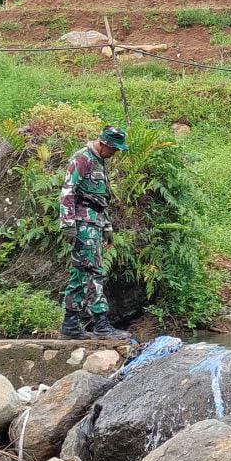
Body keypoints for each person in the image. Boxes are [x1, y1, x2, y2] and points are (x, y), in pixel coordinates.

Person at [58, 126, 133, 340]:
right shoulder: (82, 159)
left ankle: (82, 324)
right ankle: (88, 324)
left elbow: (99, 199)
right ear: (104, 144)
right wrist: (68, 223)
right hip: (83, 224)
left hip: (94, 223)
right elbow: (68, 191)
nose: (115, 153)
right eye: (114, 149)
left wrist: (107, 226)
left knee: (90, 272)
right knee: (87, 271)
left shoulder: (99, 161)